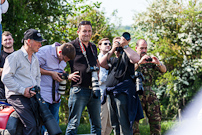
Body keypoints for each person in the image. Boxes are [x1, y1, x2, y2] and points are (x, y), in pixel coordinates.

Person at [1, 28, 46, 135]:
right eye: (38, 42)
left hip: (32, 96)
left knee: (39, 124)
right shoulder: (14, 57)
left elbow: (37, 77)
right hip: (16, 97)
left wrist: (35, 89)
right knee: (31, 125)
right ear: (29, 42)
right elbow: (5, 78)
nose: (40, 45)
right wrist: (23, 90)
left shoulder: (35, 58)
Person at [100, 36, 144, 135]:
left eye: (119, 43)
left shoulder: (127, 57)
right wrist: (112, 49)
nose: (118, 46)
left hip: (123, 94)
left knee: (124, 124)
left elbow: (137, 58)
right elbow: (101, 63)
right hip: (111, 93)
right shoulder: (112, 60)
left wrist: (125, 46)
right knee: (115, 124)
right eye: (115, 43)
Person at [65, 21, 101, 135]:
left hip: (94, 90)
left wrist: (98, 75)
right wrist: (68, 76)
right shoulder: (71, 46)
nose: (87, 33)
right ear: (78, 32)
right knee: (73, 124)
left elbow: (96, 63)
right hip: (79, 89)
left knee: (97, 125)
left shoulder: (93, 47)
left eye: (89, 31)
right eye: (84, 31)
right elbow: (59, 63)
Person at [35, 42, 76, 134]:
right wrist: (50, 73)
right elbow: (33, 68)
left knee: (54, 129)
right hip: (43, 95)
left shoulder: (63, 56)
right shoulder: (44, 51)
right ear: (60, 51)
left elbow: (59, 69)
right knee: (41, 126)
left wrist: (63, 75)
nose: (64, 62)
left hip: (56, 97)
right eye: (64, 59)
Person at [132, 39, 166, 135]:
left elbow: (164, 70)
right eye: (142, 48)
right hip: (136, 93)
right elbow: (128, 71)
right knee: (134, 123)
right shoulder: (132, 58)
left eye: (145, 48)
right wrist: (139, 62)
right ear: (136, 48)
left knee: (156, 122)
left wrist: (158, 63)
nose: (144, 50)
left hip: (150, 94)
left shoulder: (149, 59)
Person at [98, 38, 112, 135]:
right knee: (101, 122)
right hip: (102, 94)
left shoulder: (111, 60)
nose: (108, 45)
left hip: (111, 94)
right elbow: (101, 79)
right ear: (99, 46)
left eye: (109, 44)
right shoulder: (98, 59)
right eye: (105, 43)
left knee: (110, 124)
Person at [0, 31, 14, 99]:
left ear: (13, 40)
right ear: (1, 42)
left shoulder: (19, 55)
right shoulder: (0, 55)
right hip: (2, 90)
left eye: (9, 39)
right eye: (5, 40)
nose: (8, 41)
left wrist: (4, 70)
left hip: (16, 90)